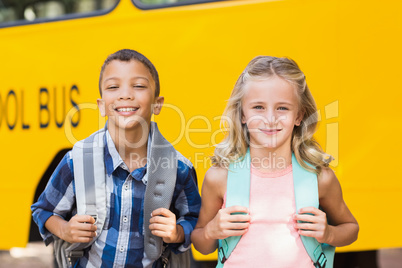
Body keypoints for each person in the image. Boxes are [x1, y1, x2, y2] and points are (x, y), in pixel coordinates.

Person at [31, 49, 201, 267]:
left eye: (138, 86)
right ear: (101, 105)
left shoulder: (178, 168)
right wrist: (65, 229)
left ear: (157, 104)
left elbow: (195, 219)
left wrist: (177, 232)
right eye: (113, 87)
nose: (125, 95)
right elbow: (44, 210)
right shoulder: (78, 161)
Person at [191, 56, 359, 267]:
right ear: (242, 114)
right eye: (258, 107)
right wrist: (212, 231)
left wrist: (329, 233)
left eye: (282, 108)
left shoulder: (320, 178)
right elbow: (201, 244)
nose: (270, 119)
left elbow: (351, 228)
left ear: (299, 116)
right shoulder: (220, 177)